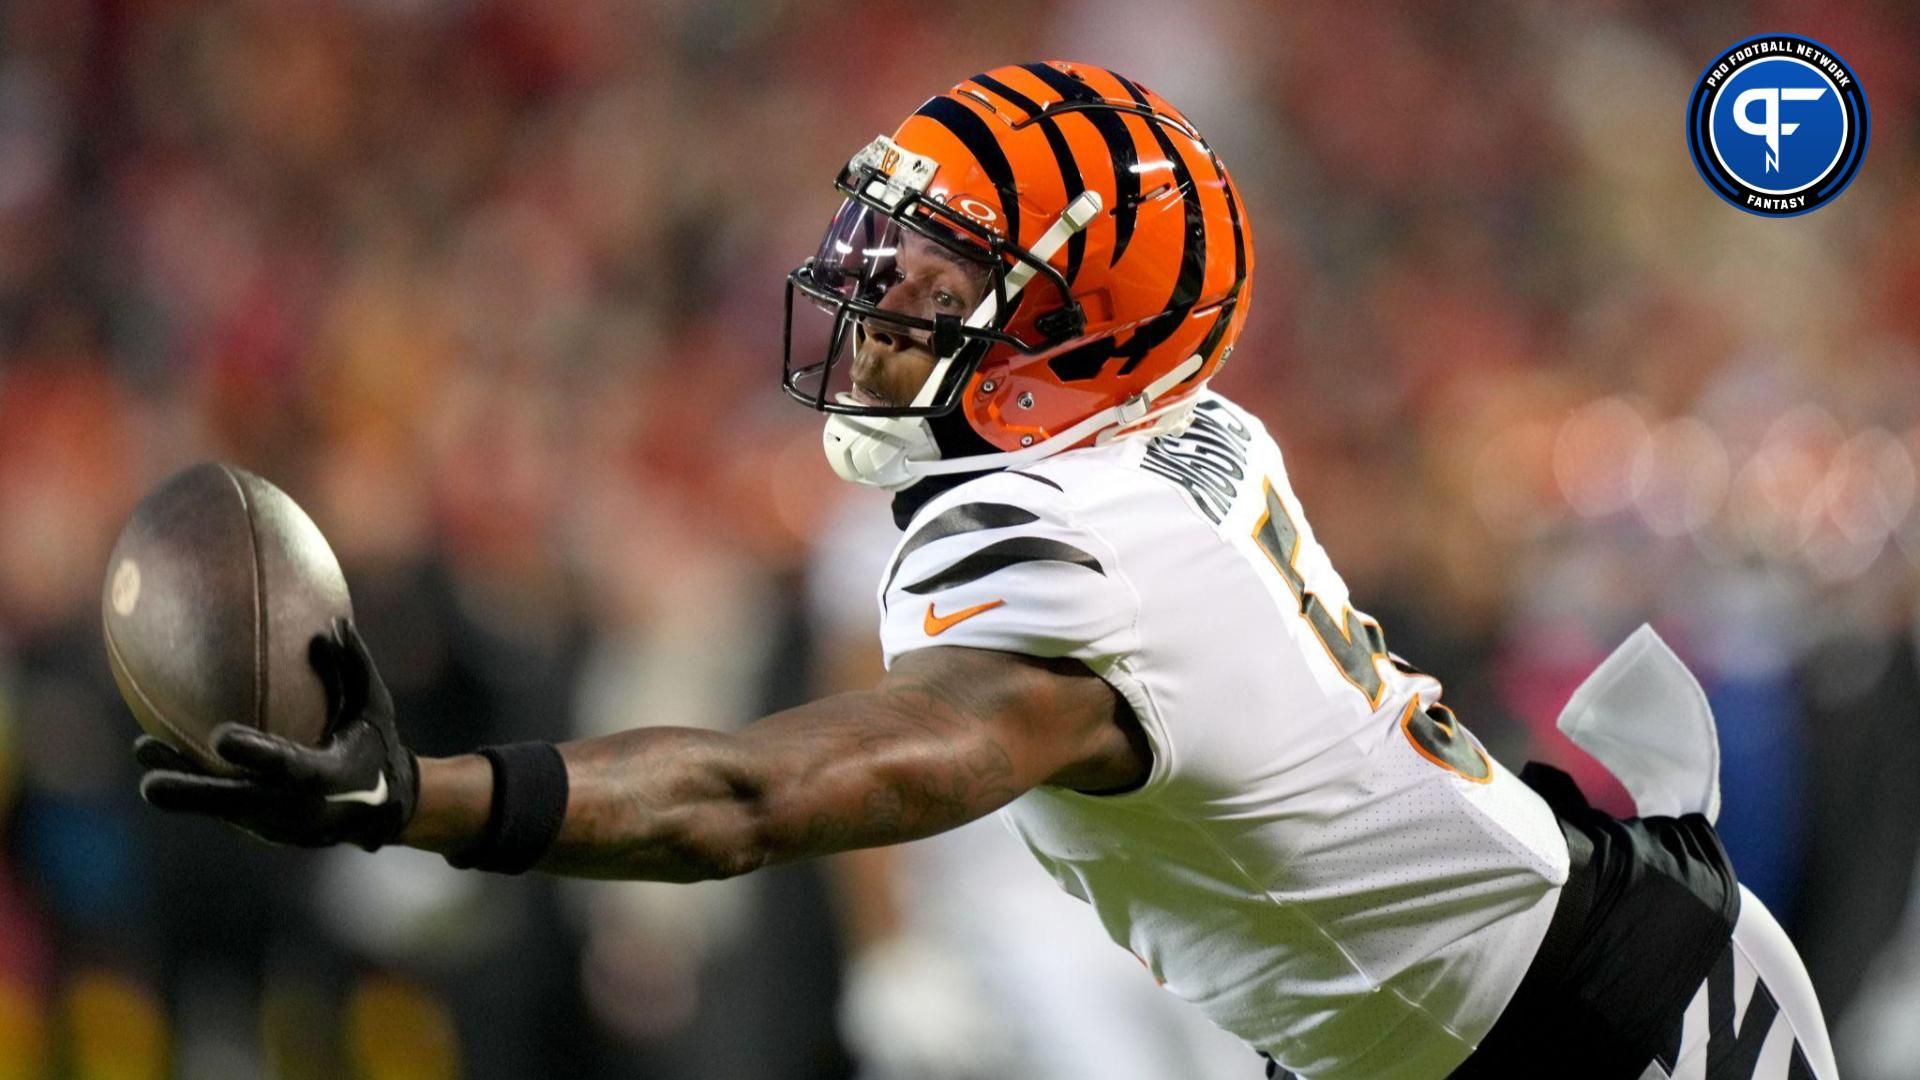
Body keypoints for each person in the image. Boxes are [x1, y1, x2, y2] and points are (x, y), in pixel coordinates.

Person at [133, 61, 1838, 1079]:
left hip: (1601, 1035)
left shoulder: (1066, 541)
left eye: (939, 274)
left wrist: (424, 795)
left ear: (1076, 327)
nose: (868, 294)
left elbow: (757, 793)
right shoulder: (1185, 434)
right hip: (1524, 983)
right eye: (883, 239)